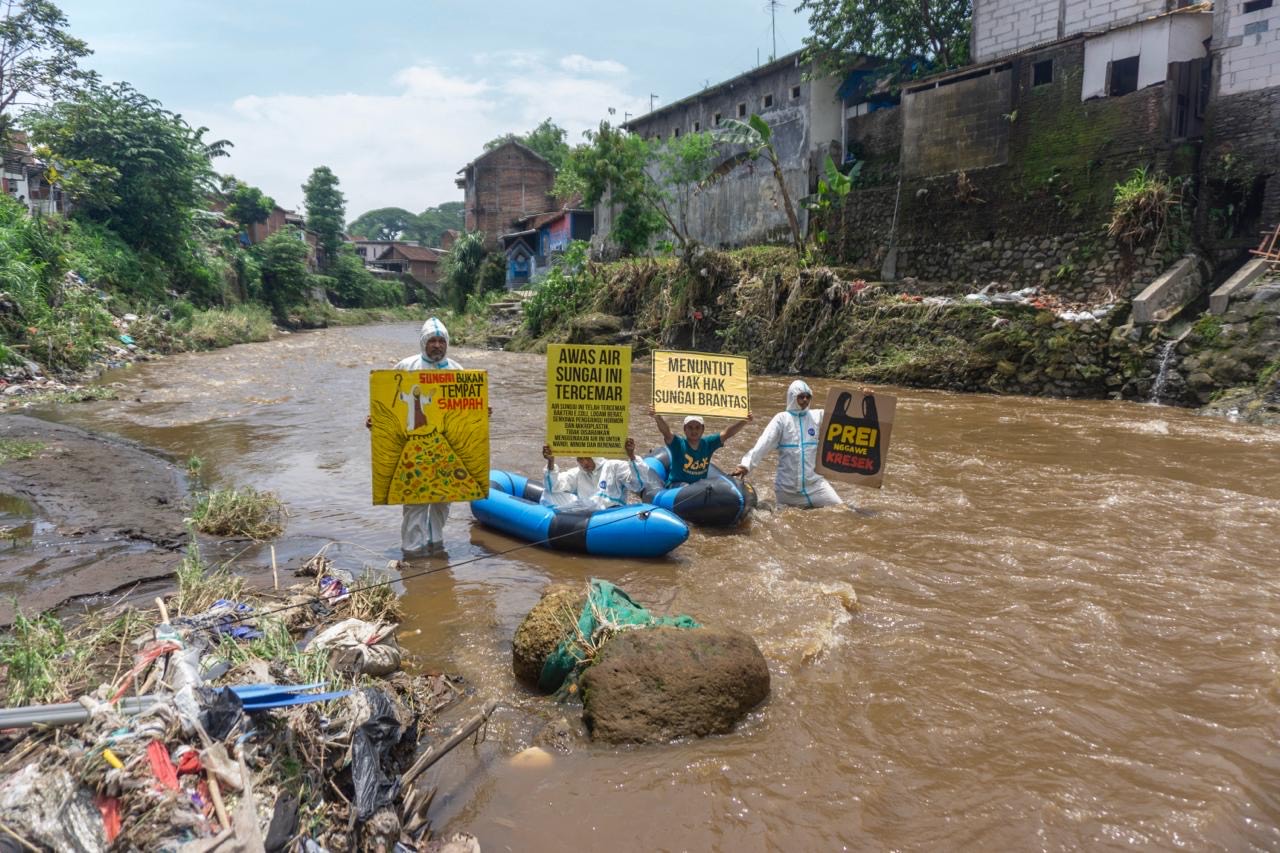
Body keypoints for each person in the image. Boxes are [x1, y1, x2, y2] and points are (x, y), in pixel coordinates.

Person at [369, 317, 464, 557]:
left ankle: (435, 545)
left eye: (441, 341)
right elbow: (387, 400)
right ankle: (412, 553)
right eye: (432, 341)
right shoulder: (405, 367)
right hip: (414, 445)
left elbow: (467, 409)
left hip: (444, 445)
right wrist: (376, 421)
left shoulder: (458, 371)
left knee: (443, 500)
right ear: (423, 343)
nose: (437, 346)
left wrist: (483, 413)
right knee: (415, 501)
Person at [732, 380, 841, 508]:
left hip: (816, 486)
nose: (805, 400)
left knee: (841, 509)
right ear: (792, 397)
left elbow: (846, 417)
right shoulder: (782, 419)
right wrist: (746, 465)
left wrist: (865, 398)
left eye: (808, 396)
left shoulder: (817, 416)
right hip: (787, 490)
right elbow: (764, 443)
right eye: (801, 397)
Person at [648, 406, 752, 485]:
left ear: (703, 430)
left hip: (699, 489)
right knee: (686, 488)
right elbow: (666, 432)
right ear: (685, 429)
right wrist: (657, 417)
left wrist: (744, 421)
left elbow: (727, 434)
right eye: (690, 427)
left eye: (697, 427)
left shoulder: (708, 443)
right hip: (677, 487)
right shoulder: (678, 444)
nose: (694, 431)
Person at [541, 438, 647, 511]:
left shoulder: (614, 466)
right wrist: (550, 462)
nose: (584, 463)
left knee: (593, 502)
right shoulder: (578, 473)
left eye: (587, 458)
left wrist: (631, 456)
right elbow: (553, 486)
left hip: (611, 513)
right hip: (585, 513)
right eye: (580, 459)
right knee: (549, 493)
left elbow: (638, 486)